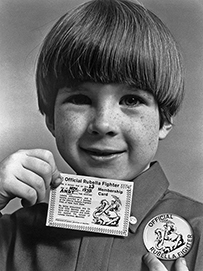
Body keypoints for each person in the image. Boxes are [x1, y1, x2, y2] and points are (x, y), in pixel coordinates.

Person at [0, 0, 202, 270]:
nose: (103, 123)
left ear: (164, 119)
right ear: (51, 118)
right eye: (80, 99)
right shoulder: (12, 235)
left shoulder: (199, 231)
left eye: (131, 100)